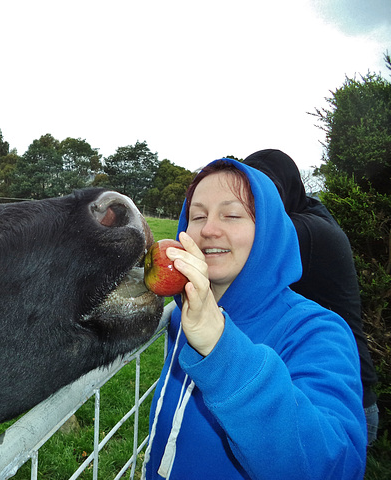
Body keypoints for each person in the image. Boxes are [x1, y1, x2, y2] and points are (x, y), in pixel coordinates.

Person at [142, 159, 366, 479]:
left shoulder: (317, 332)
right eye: (197, 216)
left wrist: (222, 350)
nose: (208, 229)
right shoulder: (185, 314)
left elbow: (335, 468)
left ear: (269, 232)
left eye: (232, 215)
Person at [244, 148, 378, 445]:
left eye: (265, 191)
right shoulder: (310, 213)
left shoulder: (305, 230)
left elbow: (235, 250)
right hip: (328, 380)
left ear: (285, 190)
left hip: (341, 400)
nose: (256, 203)